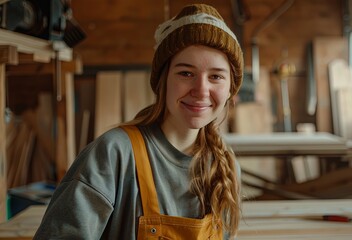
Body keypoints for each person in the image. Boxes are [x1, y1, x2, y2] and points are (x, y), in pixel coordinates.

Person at [34, 3, 243, 239]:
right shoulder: (114, 154)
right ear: (162, 81)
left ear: (230, 90)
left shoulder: (224, 164)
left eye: (216, 76)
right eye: (186, 73)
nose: (201, 90)